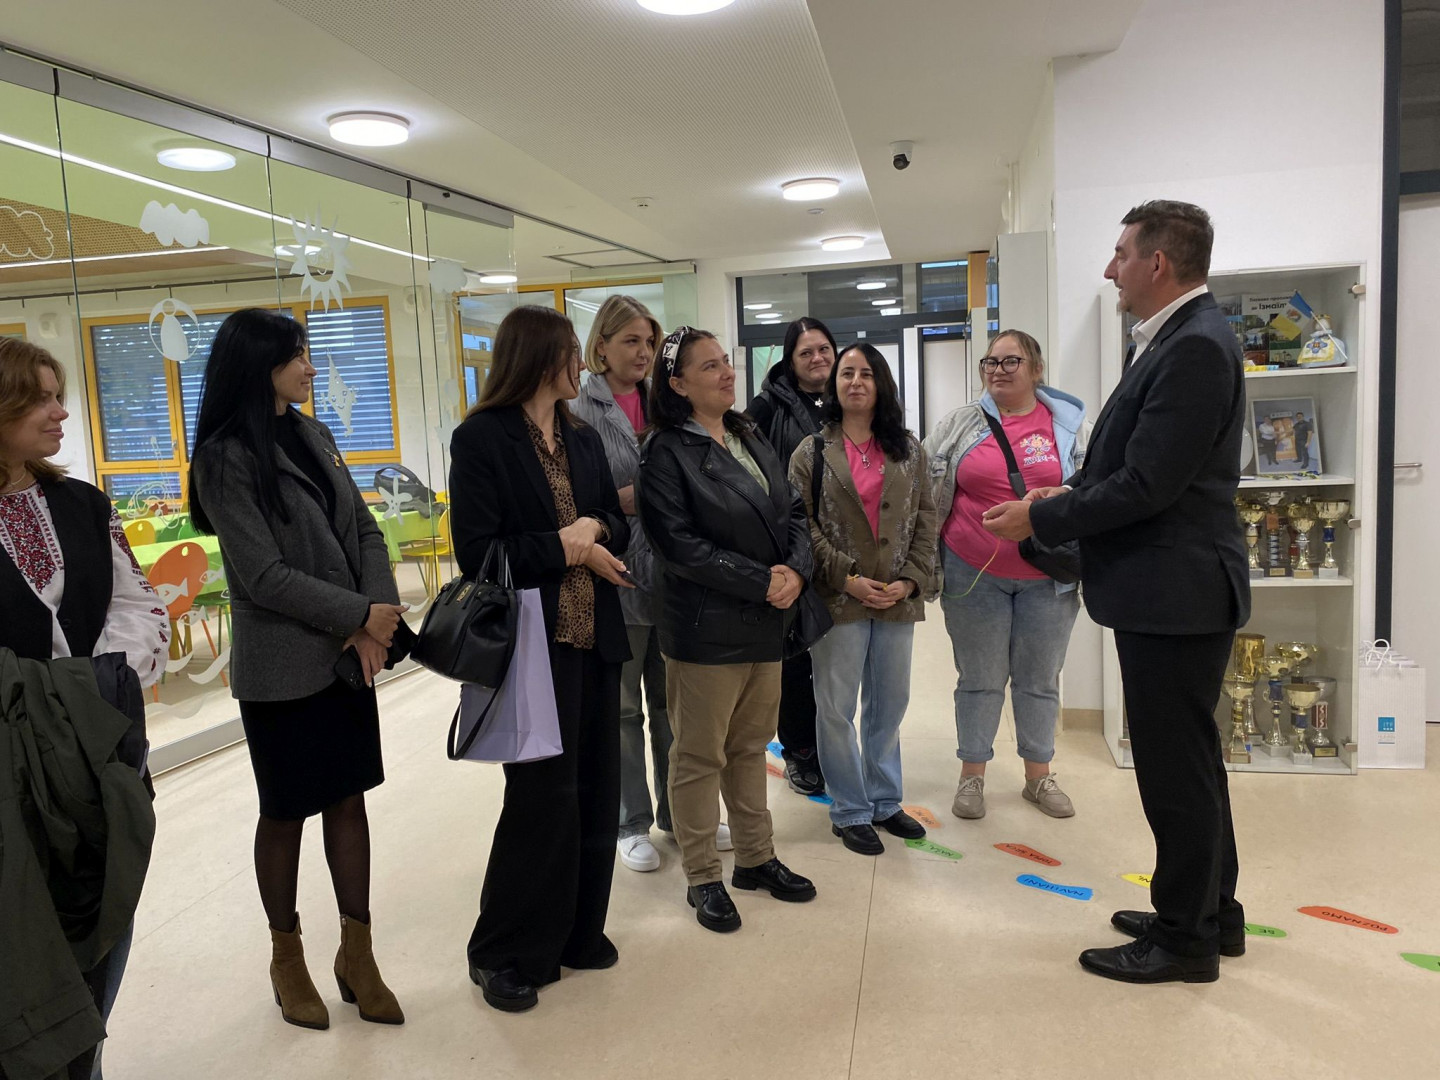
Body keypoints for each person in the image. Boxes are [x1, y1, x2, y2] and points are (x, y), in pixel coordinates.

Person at [984, 200, 1250, 984]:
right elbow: (1137, 466)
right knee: (1192, 763)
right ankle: (1210, 913)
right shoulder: (1179, 338)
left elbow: (1148, 485)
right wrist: (1067, 495)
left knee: (1175, 772)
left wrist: (1041, 513)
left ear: (1157, 263)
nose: (1110, 270)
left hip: (1177, 595)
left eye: (1121, 254)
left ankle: (1185, 941)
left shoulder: (1193, 345)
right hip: (1171, 591)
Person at [189, 308, 407, 1030]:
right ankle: (287, 960)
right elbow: (262, 575)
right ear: (259, 365)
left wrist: (377, 613)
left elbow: (364, 529)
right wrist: (359, 616)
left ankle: (358, 955)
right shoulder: (224, 457)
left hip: (346, 656)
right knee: (285, 814)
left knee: (349, 801)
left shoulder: (316, 434)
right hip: (283, 666)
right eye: (297, 356)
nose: (310, 368)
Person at [449, 305, 633, 1012]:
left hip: (594, 638)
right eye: (570, 353)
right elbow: (479, 553)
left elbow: (612, 520)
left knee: (594, 790)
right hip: (532, 644)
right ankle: (501, 952)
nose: (580, 364)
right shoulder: (482, 438)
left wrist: (594, 531)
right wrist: (567, 546)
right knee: (539, 800)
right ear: (537, 358)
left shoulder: (581, 437)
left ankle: (578, 931)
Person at [0, 337, 168, 1078]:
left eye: (57, 394)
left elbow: (141, 609)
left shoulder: (82, 504)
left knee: (104, 918)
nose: (60, 412)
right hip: (11, 777)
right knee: (24, 951)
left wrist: (91, 692)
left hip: (101, 758)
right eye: (38, 398)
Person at [636, 326, 817, 934]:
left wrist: (796, 569)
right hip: (705, 628)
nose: (726, 372)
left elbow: (794, 509)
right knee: (697, 755)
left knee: (749, 747)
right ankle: (702, 876)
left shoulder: (747, 432)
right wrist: (762, 580)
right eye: (709, 366)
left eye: (725, 362)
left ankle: (757, 859)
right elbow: (680, 546)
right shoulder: (664, 452)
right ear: (678, 384)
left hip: (765, 620)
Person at [571, 295, 732, 873]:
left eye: (649, 342)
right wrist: (634, 500)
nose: (642, 353)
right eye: (630, 341)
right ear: (602, 345)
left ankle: (681, 814)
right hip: (614, 577)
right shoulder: (578, 409)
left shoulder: (667, 403)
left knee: (676, 709)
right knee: (621, 712)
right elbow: (572, 501)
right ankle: (629, 822)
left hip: (675, 577)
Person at [922, 330, 1087, 821]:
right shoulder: (959, 424)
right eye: (990, 362)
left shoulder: (1071, 427)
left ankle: (1038, 776)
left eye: (1010, 361)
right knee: (979, 678)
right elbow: (922, 482)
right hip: (971, 571)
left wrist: (1059, 500)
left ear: (1036, 369)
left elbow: (1092, 489)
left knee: (1039, 679)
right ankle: (972, 775)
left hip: (1048, 577)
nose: (998, 370)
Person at [788, 343, 936, 855]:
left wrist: (911, 580)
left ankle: (885, 800)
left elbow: (926, 519)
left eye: (866, 373)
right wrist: (846, 577)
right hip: (839, 599)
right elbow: (800, 526)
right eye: (846, 373)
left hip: (897, 598)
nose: (855, 381)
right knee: (835, 706)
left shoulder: (909, 449)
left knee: (889, 703)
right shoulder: (811, 452)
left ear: (881, 384)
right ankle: (850, 808)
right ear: (834, 385)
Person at [745, 316, 837, 796]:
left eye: (824, 349)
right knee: (796, 657)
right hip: (792, 546)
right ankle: (800, 751)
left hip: (845, 549)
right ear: (790, 360)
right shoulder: (765, 408)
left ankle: (838, 748)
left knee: (840, 657)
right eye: (806, 352)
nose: (817, 359)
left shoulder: (850, 395)